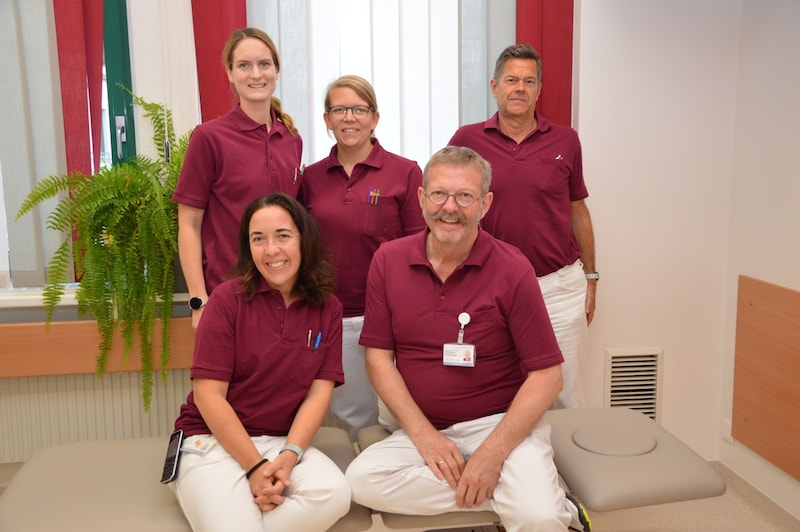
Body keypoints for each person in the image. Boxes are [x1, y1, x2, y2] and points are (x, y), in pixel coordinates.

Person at [345, 147, 592, 531]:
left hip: (501, 425)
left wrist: (493, 455)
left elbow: (548, 376)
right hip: (419, 428)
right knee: (360, 482)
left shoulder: (513, 268)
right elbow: (378, 360)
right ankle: (528, 495)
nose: (451, 207)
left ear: (485, 204)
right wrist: (425, 437)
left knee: (540, 520)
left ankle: (534, 500)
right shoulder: (388, 260)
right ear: (422, 198)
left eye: (465, 196)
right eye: (440, 194)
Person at [170, 193, 350, 531]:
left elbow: (317, 395)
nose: (271, 251)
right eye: (258, 239)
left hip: (280, 441)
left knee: (335, 494)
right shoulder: (226, 301)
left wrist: (288, 456)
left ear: (303, 239)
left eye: (283, 236)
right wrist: (254, 468)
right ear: (247, 248)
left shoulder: (328, 307)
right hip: (211, 439)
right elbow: (209, 397)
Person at [449, 44, 597, 409]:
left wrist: (591, 279)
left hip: (558, 287)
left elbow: (578, 210)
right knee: (498, 390)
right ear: (494, 86)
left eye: (529, 81)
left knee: (565, 393)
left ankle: (568, 468)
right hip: (490, 287)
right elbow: (449, 207)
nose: (520, 88)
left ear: (539, 89)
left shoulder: (566, 140)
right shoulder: (467, 140)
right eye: (511, 80)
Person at [300, 75, 426, 439]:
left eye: (359, 109)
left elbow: (419, 248)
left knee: (399, 413)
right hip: (334, 315)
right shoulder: (310, 177)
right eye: (339, 109)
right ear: (326, 119)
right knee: (353, 416)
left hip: (390, 316)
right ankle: (364, 485)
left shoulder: (405, 172)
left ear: (375, 117)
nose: (349, 118)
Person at [173, 27, 303, 329]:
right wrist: (198, 301)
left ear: (276, 70)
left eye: (264, 64)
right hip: (229, 297)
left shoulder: (291, 140)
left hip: (285, 296)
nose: (255, 74)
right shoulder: (208, 138)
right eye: (244, 65)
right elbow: (188, 225)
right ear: (230, 73)